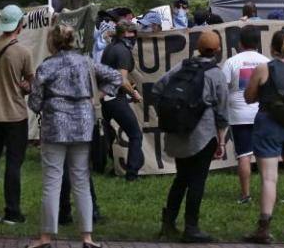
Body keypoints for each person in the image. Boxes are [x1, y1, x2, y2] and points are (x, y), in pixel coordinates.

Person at [27, 23, 121, 248]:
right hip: (83, 124)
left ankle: (46, 237)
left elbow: (35, 101)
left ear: (53, 42)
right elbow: (115, 77)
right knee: (81, 180)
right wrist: (96, 96)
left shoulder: (47, 67)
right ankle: (87, 236)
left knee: (52, 181)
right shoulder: (85, 62)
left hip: (55, 127)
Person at [154, 30, 229, 242]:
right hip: (203, 136)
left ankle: (168, 224)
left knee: (181, 178)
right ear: (217, 50)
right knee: (197, 180)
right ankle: (192, 228)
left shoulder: (182, 66)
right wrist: (221, 140)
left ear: (197, 47)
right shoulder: (216, 74)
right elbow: (222, 112)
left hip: (179, 132)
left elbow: (159, 87)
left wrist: (172, 113)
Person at [243, 30, 284, 243]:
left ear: (272, 48)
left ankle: (263, 228)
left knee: (269, 177)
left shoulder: (264, 68)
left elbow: (249, 97)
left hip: (269, 123)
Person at [0, 4, 34, 224]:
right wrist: (24, 85)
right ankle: (12, 211)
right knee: (13, 162)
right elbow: (30, 83)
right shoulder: (23, 51)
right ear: (20, 25)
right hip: (15, 114)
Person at [223, 25, 270, 204]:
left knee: (243, 155)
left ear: (240, 43)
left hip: (238, 115)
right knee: (264, 155)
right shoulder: (266, 61)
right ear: (258, 42)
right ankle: (268, 191)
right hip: (262, 114)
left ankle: (245, 195)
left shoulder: (231, 62)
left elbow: (222, 88)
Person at [100, 20, 144, 181]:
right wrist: (134, 94)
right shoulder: (123, 51)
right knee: (135, 135)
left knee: (109, 136)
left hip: (105, 98)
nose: (133, 37)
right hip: (115, 98)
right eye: (132, 34)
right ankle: (132, 175)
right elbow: (121, 80)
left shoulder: (109, 48)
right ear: (127, 34)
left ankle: (111, 167)